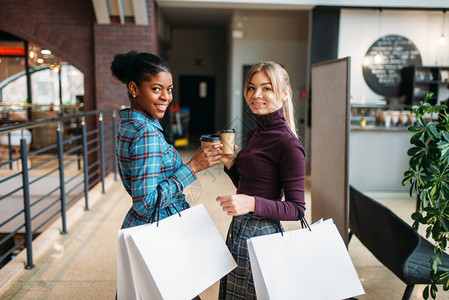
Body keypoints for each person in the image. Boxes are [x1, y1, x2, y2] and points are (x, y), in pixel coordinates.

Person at [217, 61, 306, 299]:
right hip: (239, 229)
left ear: (284, 94)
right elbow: (250, 185)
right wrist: (230, 163)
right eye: (251, 87)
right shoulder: (255, 132)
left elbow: (297, 209)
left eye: (267, 88)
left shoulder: (288, 144)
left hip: (263, 234)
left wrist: (252, 204)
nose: (257, 95)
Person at [110, 50, 222, 229]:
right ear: (134, 89)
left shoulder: (130, 125)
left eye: (169, 89)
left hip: (149, 225)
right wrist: (193, 166)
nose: (165, 97)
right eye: (156, 89)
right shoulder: (146, 134)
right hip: (160, 227)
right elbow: (145, 205)